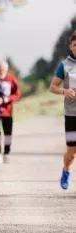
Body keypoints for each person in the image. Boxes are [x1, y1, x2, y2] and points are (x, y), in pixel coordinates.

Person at [50, 31, 76, 190]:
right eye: (75, 45)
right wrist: (64, 91)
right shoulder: (64, 65)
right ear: (71, 46)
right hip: (72, 114)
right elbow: (52, 87)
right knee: (72, 154)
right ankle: (66, 170)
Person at [0, 61, 21, 164]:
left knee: (7, 133)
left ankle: (6, 153)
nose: (1, 71)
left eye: (3, 69)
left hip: (7, 111)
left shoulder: (11, 79)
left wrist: (7, 99)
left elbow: (17, 94)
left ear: (6, 69)